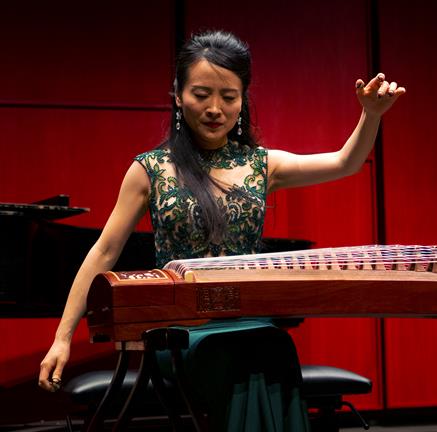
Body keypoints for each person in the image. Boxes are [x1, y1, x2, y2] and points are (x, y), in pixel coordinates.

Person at [38, 30, 405, 430]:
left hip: (250, 323)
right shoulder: (151, 169)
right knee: (240, 353)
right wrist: (62, 338)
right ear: (178, 95)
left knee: (274, 345)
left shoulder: (261, 165)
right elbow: (104, 252)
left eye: (228, 97)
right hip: (181, 333)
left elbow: (346, 162)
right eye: (201, 94)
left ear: (243, 100)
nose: (215, 108)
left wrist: (371, 114)